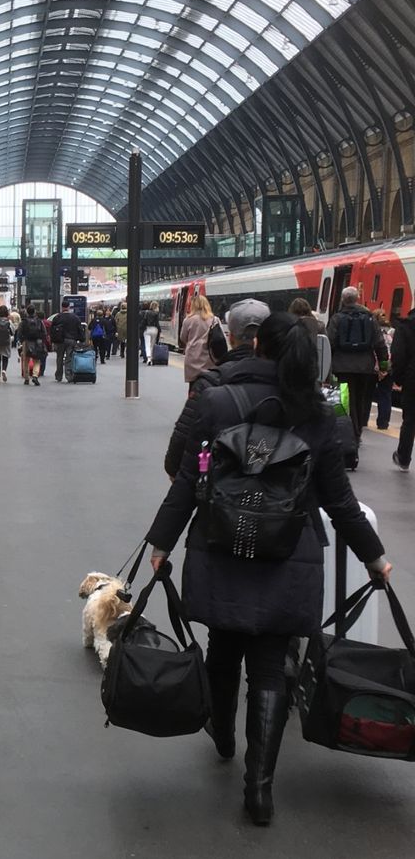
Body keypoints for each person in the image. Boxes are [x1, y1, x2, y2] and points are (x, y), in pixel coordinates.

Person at [146, 311, 392, 826]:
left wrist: (160, 544)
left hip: (222, 546)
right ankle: (259, 788)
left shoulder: (216, 400)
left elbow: (188, 482)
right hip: (289, 557)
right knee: (269, 665)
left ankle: (223, 735)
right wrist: (375, 556)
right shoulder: (319, 416)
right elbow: (341, 503)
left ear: (254, 344)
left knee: (224, 646)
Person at [164, 298, 268, 480]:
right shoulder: (292, 381)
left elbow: (181, 444)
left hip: (222, 489)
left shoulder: (209, 383)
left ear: (231, 337)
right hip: (277, 496)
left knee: (196, 397)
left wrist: (176, 473)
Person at [327, 287, 388, 444]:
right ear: (357, 299)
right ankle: (357, 432)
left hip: (342, 367)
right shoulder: (369, 318)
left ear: (343, 299)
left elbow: (330, 342)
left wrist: (326, 366)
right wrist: (383, 365)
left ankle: (346, 432)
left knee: (345, 400)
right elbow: (380, 343)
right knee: (360, 399)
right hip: (364, 367)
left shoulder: (337, 318)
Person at [178, 293, 227, 389]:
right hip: (210, 358)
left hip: (193, 359)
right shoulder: (215, 320)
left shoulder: (188, 320)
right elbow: (222, 337)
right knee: (210, 385)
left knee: (194, 388)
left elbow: (183, 338)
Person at [391, 305, 415, 471]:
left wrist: (399, 378)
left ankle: (404, 457)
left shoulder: (405, 326)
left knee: (410, 420)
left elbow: (398, 355)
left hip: (413, 379)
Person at [369, 308, 394, 430]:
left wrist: (380, 369)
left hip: (374, 367)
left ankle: (363, 419)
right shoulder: (392, 332)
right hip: (389, 368)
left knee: (367, 394)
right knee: (386, 395)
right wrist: (385, 369)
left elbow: (375, 352)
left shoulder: (373, 332)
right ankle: (383, 423)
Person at [51, 300, 83, 383]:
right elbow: (80, 329)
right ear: (68, 307)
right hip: (71, 340)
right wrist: (81, 339)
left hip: (60, 340)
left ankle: (58, 376)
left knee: (59, 358)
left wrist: (53, 341)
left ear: (62, 307)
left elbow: (52, 330)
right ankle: (69, 376)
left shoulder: (57, 317)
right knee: (69, 358)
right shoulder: (74, 317)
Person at [18, 308, 46, 385]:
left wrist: (22, 340)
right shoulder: (39, 321)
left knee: (26, 360)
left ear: (27, 312)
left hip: (26, 342)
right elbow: (44, 332)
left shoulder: (24, 321)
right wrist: (41, 340)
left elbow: (19, 332)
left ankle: (26, 378)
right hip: (37, 342)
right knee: (36, 360)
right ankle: (35, 375)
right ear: (34, 311)